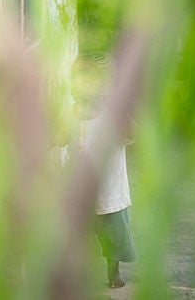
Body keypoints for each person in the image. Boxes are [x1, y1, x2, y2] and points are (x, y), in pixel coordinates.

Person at [72, 54, 137, 289]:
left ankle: (113, 273)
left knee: (115, 239)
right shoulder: (72, 114)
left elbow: (131, 134)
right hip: (80, 195)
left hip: (111, 193)